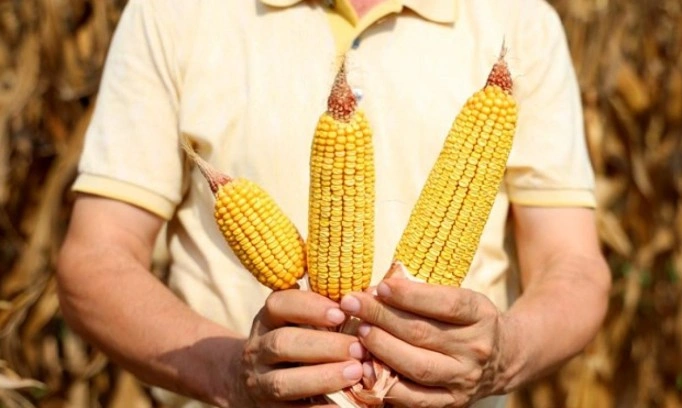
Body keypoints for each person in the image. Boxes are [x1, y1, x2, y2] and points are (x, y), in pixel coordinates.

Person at [56, 0, 611, 407]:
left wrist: (503, 355)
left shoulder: (522, 20)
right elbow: (95, 261)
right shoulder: (173, 13)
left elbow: (574, 267)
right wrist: (232, 374)